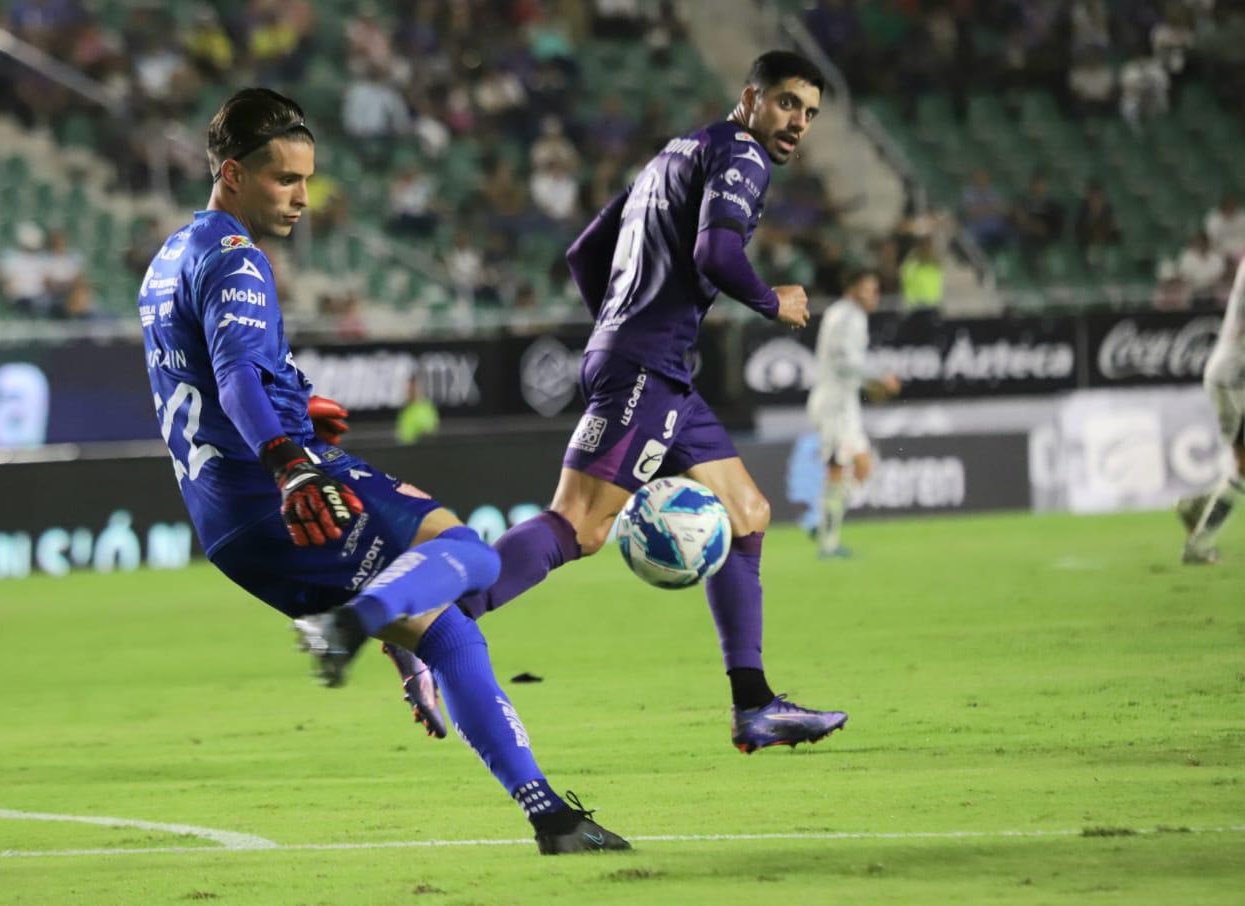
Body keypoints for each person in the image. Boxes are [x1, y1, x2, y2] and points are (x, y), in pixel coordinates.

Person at [136, 88, 628, 855]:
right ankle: (348, 625)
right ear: (231, 174)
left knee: (449, 636)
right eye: (284, 180)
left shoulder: (170, 258)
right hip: (276, 491)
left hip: (226, 521)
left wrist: (298, 406)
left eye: (309, 178)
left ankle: (551, 818)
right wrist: (291, 461)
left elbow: (216, 379)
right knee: (470, 555)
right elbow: (234, 380)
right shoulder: (236, 256)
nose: (304, 198)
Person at [393, 51, 849, 755]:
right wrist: (771, 300)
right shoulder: (742, 154)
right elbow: (717, 255)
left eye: (810, 113)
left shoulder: (674, 154)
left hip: (656, 364)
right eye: (788, 103)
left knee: (747, 513)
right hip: (646, 363)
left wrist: (619, 327)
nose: (798, 123)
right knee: (578, 525)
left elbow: (584, 254)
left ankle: (754, 705)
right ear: (751, 96)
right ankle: (428, 628)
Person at [806, 270, 900, 558]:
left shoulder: (847, 315)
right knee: (840, 467)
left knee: (862, 466)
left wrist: (868, 382)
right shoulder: (847, 316)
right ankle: (828, 541)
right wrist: (879, 378)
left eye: (876, 290)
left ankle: (824, 523)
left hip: (844, 403)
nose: (875, 296)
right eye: (869, 289)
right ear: (853, 290)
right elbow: (844, 361)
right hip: (834, 404)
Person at [1178, 258, 1245, 565]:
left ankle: (1199, 506)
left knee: (1242, 466)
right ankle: (1199, 545)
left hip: (1225, 369)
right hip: (1237, 374)